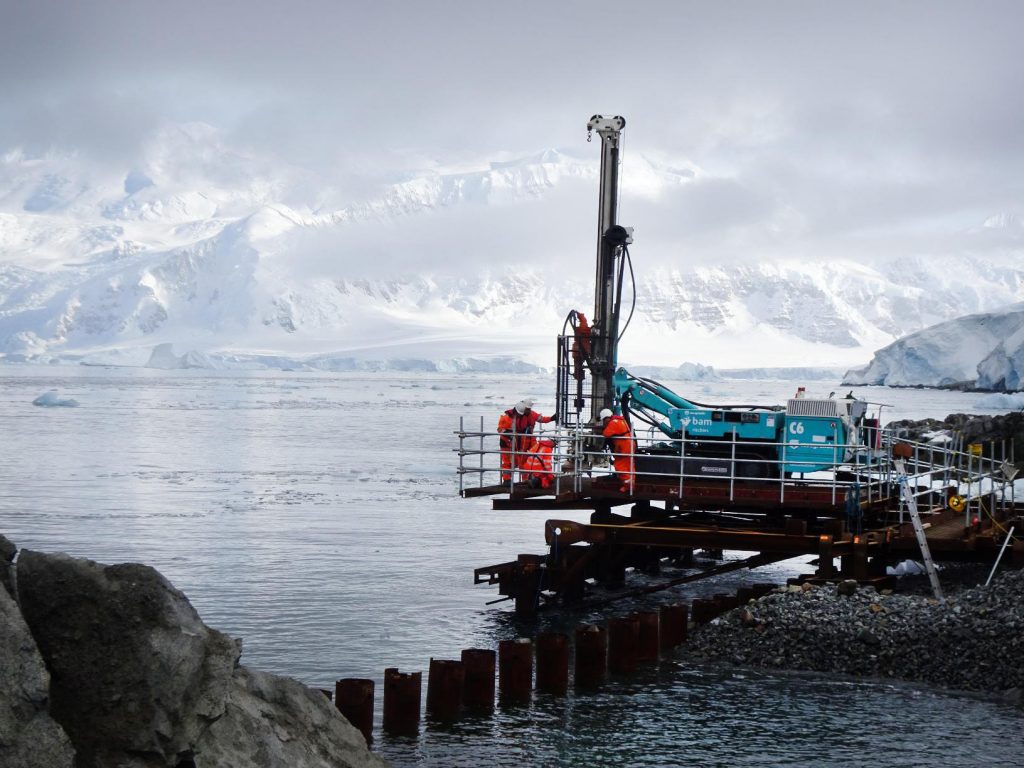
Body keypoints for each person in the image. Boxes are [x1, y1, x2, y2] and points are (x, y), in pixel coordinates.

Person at [497, 398, 556, 483]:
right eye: (527, 409)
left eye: (529, 409)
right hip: (507, 442)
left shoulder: (531, 415)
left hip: (522, 441)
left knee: (524, 461)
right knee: (508, 462)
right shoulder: (507, 418)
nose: (528, 411)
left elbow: (541, 419)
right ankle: (506, 479)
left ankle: (526, 480)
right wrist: (507, 433)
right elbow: (500, 429)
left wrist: (552, 418)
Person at [599, 407, 635, 493]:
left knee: (620, 465)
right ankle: (631, 484)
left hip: (624, 447)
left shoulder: (613, 423)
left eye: (604, 420)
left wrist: (602, 429)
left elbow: (606, 433)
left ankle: (627, 486)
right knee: (629, 466)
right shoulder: (620, 420)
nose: (604, 423)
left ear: (606, 418)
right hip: (630, 444)